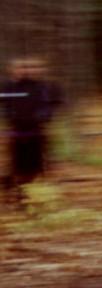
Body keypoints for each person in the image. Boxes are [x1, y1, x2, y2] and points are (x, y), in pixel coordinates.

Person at [0, 57, 62, 207]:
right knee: (17, 166)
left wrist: (43, 116)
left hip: (38, 132)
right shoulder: (7, 86)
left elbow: (53, 104)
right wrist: (8, 115)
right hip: (16, 132)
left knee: (38, 166)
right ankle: (17, 194)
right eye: (19, 68)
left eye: (25, 68)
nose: (23, 71)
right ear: (12, 70)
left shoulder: (43, 87)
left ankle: (33, 196)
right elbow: (4, 103)